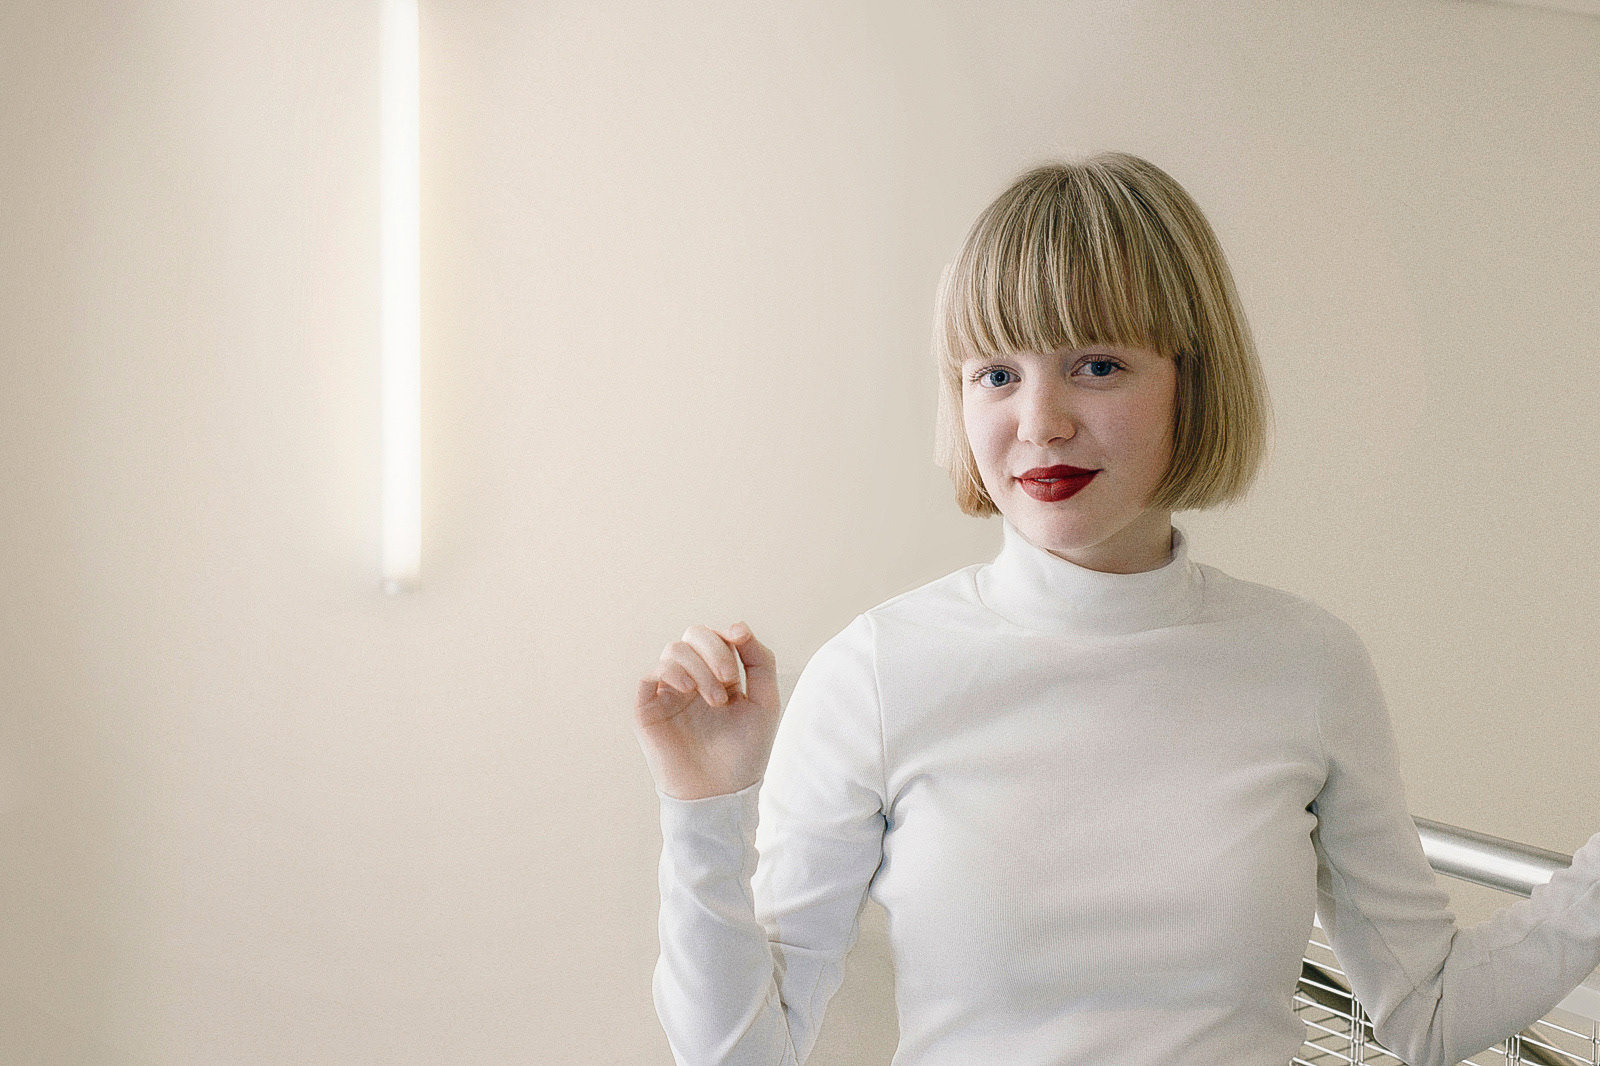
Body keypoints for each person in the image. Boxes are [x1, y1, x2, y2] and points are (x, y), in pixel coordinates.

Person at [630, 152, 1600, 1066]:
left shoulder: (1306, 663)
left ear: (1191, 380)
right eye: (996, 374)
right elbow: (742, 1051)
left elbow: (1428, 1010)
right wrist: (704, 810)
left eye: (1096, 364)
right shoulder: (876, 672)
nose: (1040, 421)